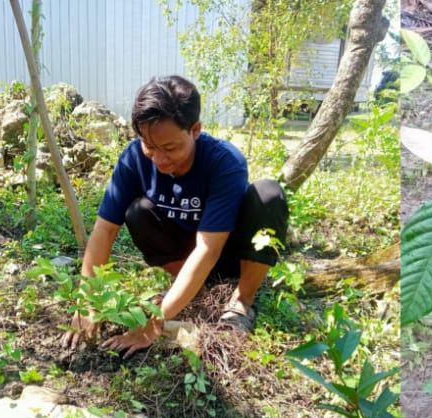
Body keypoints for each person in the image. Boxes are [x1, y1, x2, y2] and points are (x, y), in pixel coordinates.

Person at [68, 76, 290, 349]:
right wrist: (89, 302)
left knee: (268, 194)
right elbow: (105, 229)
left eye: (170, 148)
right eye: (150, 147)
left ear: (195, 129)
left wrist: (155, 323)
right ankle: (193, 291)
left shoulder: (224, 162)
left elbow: (208, 249)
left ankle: (242, 301)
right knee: (138, 211)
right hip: (187, 257)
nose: (159, 159)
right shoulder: (134, 157)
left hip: (229, 252)